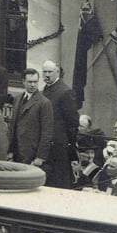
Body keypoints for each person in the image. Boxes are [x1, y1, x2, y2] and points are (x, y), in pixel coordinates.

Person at [41, 60, 79, 189]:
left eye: (50, 72)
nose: (47, 75)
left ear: (57, 72)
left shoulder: (65, 92)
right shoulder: (46, 89)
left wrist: (71, 146)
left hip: (59, 145)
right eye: (44, 72)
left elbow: (72, 122)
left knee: (58, 182)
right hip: (48, 143)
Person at [7, 68, 53, 169]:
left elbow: (47, 132)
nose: (33, 85)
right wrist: (10, 151)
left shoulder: (44, 103)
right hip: (16, 152)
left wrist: (40, 157)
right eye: (30, 82)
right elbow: (13, 126)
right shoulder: (18, 99)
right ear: (23, 81)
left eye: (35, 82)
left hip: (32, 154)